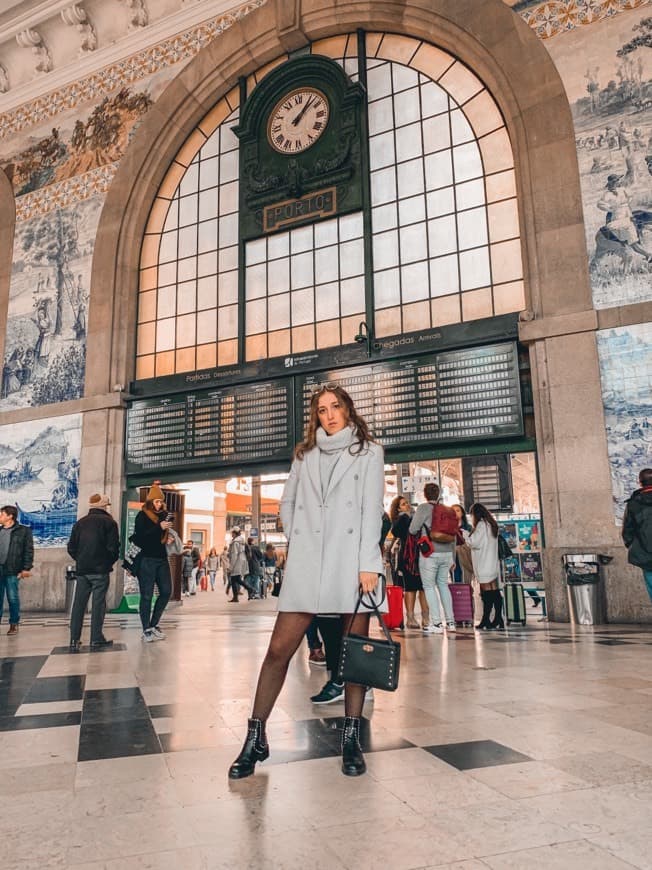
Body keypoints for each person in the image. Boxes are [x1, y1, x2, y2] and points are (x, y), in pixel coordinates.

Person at [228, 383, 385, 780]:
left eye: (335, 407)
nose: (329, 415)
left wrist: (369, 562)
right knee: (278, 649)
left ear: (347, 409)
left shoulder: (370, 453)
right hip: (308, 561)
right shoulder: (306, 455)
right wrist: (299, 537)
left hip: (351, 564)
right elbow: (287, 502)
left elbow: (371, 511)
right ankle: (255, 736)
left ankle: (351, 739)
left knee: (352, 657)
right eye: (321, 410)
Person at [67, 493, 120, 652]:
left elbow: (71, 548)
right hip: (100, 571)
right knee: (98, 604)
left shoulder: (80, 523)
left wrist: (81, 560)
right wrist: (106, 563)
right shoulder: (109, 523)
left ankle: (74, 638)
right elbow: (113, 549)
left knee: (79, 604)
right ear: (104, 506)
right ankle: (96, 638)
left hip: (82, 570)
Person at [409, 483, 456, 634]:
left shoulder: (423, 508)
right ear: (439, 494)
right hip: (447, 553)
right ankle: (451, 622)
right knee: (443, 585)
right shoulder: (448, 510)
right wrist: (453, 558)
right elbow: (454, 534)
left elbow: (412, 529)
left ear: (425, 494)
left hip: (430, 553)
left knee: (429, 587)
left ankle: (436, 623)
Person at [131, 482, 173, 642]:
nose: (159, 504)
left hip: (161, 558)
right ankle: (146, 629)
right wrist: (159, 528)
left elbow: (158, 537)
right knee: (147, 595)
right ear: (150, 502)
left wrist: (166, 538)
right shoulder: (142, 516)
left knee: (166, 591)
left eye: (161, 501)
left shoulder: (164, 516)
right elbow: (141, 537)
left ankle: (154, 624)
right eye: (156, 501)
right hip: (146, 560)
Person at [389, 494, 429, 630]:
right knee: (415, 588)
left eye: (407, 503)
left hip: (413, 558)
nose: (407, 505)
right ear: (398, 508)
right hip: (410, 558)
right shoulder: (402, 519)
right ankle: (416, 618)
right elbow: (397, 532)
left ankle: (420, 617)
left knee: (418, 588)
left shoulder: (408, 518)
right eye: (403, 504)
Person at [464, 502, 503, 630]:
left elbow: (474, 542)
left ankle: (486, 619)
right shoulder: (491, 524)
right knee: (494, 590)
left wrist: (464, 534)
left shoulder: (481, 525)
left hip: (483, 563)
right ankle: (498, 618)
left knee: (486, 593)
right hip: (491, 562)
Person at [0, 505, 34, 635]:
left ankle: (14, 624)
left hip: (13, 569)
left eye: (2, 514)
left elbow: (28, 551)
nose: (0, 516)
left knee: (12, 597)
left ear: (10, 516)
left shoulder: (24, 531)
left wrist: (26, 568)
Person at [622, 468, 652, 602]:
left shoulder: (633, 504)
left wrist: (635, 546)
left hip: (646, 555)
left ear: (640, 483)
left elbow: (627, 532)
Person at [227, 526, 250, 602]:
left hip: (237, 563)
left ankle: (250, 589)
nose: (231, 534)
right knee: (235, 579)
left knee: (235, 579)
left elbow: (234, 555)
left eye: (232, 533)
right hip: (241, 561)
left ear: (234, 533)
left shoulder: (235, 542)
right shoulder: (241, 541)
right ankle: (235, 597)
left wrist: (231, 567)